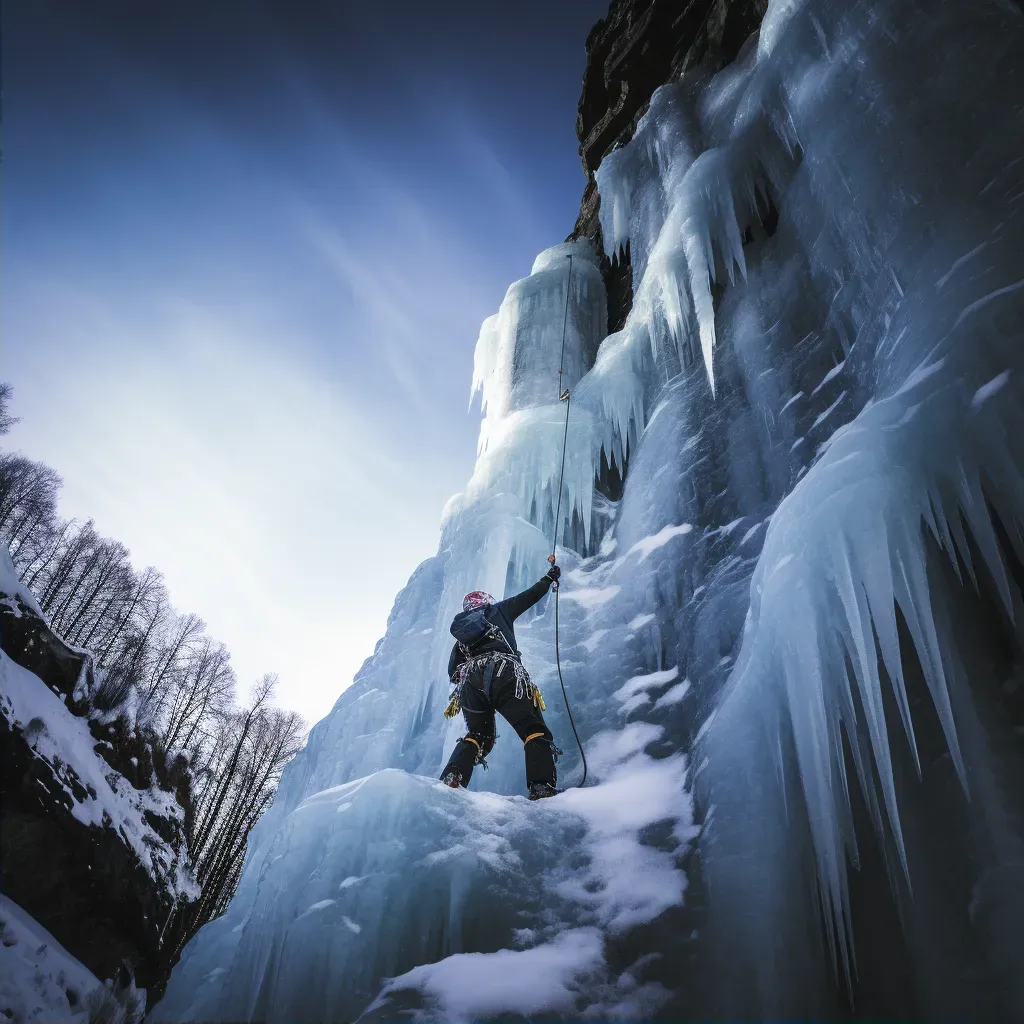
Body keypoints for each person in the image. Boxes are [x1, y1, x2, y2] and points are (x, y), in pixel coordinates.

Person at [440, 565, 562, 800]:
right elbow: (529, 597)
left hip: (470, 683)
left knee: (479, 735)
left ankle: (453, 776)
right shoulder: (498, 610)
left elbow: (453, 673)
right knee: (533, 728)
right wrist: (548, 579)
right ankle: (541, 787)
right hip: (503, 672)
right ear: (486, 602)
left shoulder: (461, 639)